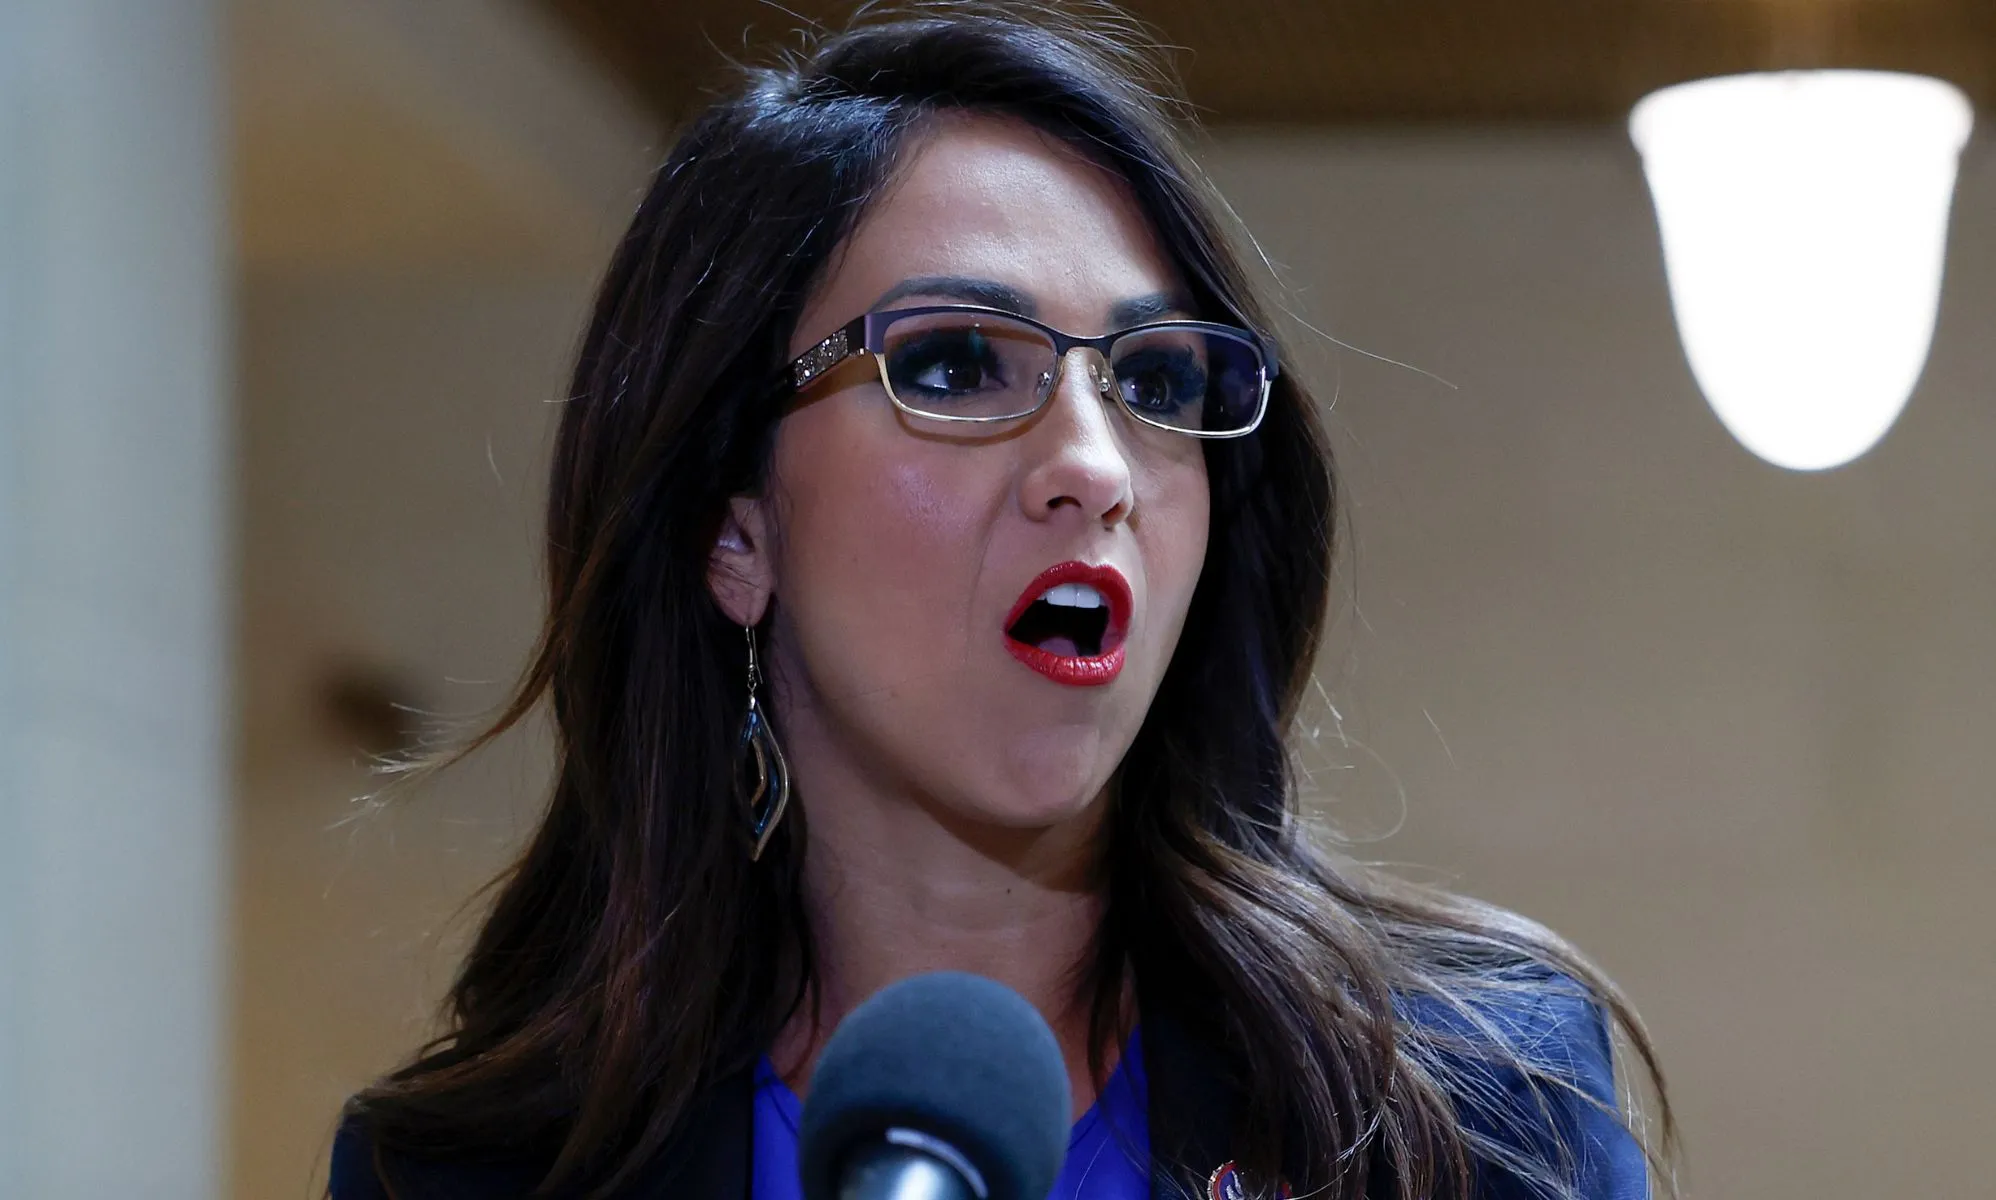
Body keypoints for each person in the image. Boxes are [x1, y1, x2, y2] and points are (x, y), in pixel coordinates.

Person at [330, 5, 1671, 1199]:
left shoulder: (1478, 1110)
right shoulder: (465, 1174)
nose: (1095, 466)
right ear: (735, 530)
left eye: (1154, 382)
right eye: (958, 363)